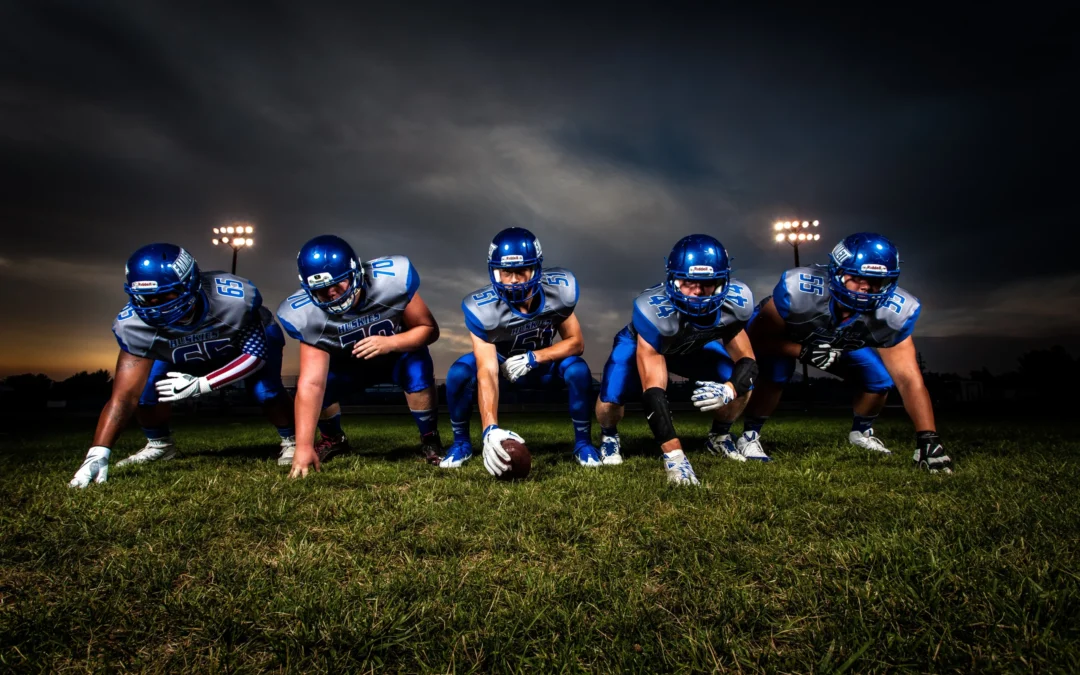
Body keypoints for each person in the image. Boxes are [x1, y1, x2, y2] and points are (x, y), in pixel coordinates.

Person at [70, 243, 295, 488]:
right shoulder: (133, 326)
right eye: (147, 298)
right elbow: (124, 397)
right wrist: (98, 452)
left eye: (166, 295)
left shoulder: (233, 300)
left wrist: (202, 384)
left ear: (191, 283)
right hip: (180, 355)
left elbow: (255, 356)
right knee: (146, 392)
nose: (156, 306)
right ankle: (160, 445)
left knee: (266, 390)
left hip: (239, 347)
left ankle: (291, 440)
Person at [737, 232, 952, 472]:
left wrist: (928, 438)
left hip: (838, 342)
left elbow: (909, 379)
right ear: (836, 272)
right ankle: (749, 435)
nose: (866, 287)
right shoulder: (799, 291)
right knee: (777, 372)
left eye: (875, 281)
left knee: (879, 380)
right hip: (788, 337)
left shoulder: (894, 313)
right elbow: (757, 340)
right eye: (857, 277)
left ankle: (861, 432)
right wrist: (802, 351)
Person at [594, 234, 758, 485]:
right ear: (672, 280)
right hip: (646, 343)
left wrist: (730, 388)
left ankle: (719, 437)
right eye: (688, 282)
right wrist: (675, 457)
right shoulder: (652, 311)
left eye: (708, 283)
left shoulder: (736, 303)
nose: (697, 292)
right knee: (611, 398)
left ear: (723, 282)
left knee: (742, 382)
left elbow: (748, 362)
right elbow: (654, 392)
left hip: (693, 347)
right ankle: (609, 436)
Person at [276, 234, 441, 478]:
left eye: (338, 283)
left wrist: (391, 342)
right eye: (321, 289)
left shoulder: (392, 280)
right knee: (318, 386)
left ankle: (430, 438)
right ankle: (333, 438)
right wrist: (303, 447)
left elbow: (429, 330)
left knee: (417, 367)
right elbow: (311, 383)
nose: (332, 293)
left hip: (396, 356)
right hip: (348, 366)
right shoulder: (305, 315)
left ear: (355, 272)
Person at [440, 227, 601, 476]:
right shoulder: (482, 308)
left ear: (535, 269)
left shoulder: (557, 292)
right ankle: (462, 443)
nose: (514, 280)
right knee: (459, 373)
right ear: (496, 272)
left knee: (578, 370)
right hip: (502, 365)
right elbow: (487, 369)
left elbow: (576, 342)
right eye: (506, 272)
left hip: (542, 364)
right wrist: (490, 428)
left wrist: (535, 357)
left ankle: (583, 443)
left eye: (520, 271)